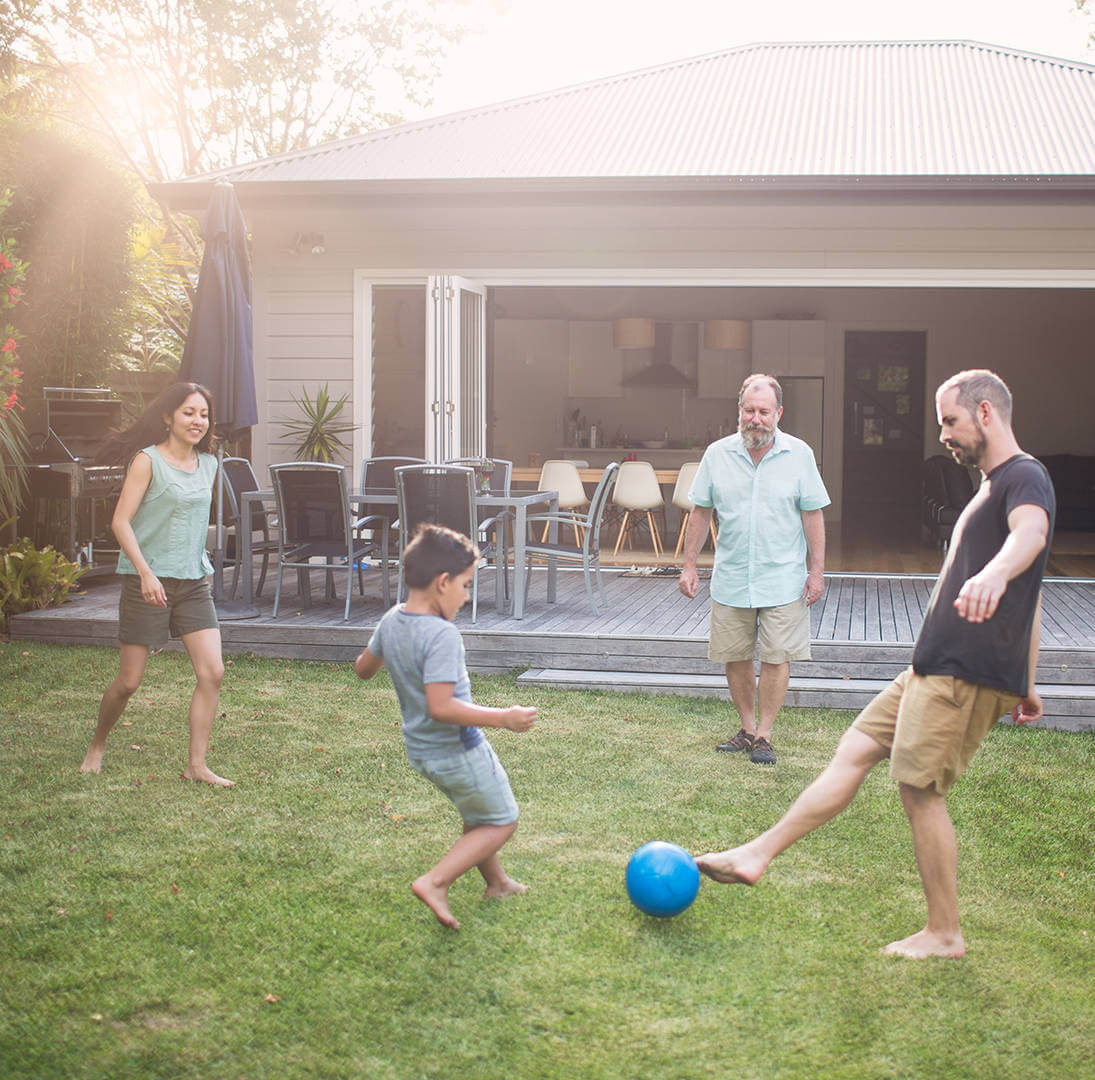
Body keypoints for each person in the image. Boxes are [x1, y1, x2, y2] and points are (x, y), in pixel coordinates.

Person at [695, 369, 1054, 959]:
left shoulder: (1024, 478)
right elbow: (1035, 591)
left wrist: (992, 573)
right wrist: (1031, 679)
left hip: (965, 669)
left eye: (950, 421)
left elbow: (1031, 538)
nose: (942, 434)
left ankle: (944, 933)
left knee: (919, 788)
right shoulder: (990, 487)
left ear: (986, 413)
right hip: (932, 664)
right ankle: (756, 855)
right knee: (856, 747)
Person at [355, 524, 536, 930]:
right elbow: (441, 706)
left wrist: (395, 651)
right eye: (466, 585)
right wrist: (504, 718)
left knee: (478, 812)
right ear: (442, 583)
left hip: (421, 752)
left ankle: (498, 882)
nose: (467, 595)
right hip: (458, 750)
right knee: (502, 819)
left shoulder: (392, 620)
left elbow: (363, 668)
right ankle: (436, 882)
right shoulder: (441, 635)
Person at [79, 382, 232, 787]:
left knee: (212, 672)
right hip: (147, 580)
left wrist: (204, 568)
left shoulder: (210, 465)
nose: (197, 421)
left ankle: (197, 766)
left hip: (193, 582)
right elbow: (120, 521)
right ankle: (96, 744)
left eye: (203, 414)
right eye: (188, 412)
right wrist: (145, 572)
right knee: (129, 681)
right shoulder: (147, 461)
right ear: (168, 417)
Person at [679, 373, 830, 764]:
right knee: (736, 655)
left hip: (783, 578)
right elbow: (700, 512)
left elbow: (812, 515)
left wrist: (817, 571)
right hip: (731, 575)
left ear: (778, 413)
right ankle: (747, 728)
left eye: (764, 411)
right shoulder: (717, 454)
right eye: (750, 410)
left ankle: (765, 733)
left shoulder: (800, 454)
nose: (756, 419)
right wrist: (689, 565)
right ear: (739, 411)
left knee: (778, 656)